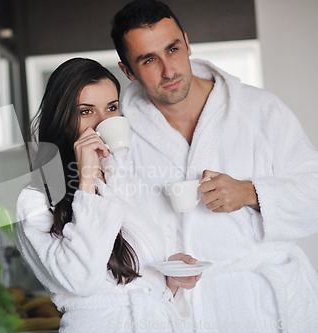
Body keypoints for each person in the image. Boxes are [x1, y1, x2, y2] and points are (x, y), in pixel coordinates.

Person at [110, 1, 318, 332]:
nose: (169, 70)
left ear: (187, 43)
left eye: (173, 49)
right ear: (128, 71)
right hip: (186, 313)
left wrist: (252, 192)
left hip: (270, 307)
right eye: (149, 60)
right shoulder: (122, 136)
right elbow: (118, 235)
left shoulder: (260, 111)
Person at [14, 57, 201, 333]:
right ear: (61, 118)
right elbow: (80, 280)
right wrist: (85, 184)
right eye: (86, 111)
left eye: (112, 108)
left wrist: (170, 277)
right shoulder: (31, 199)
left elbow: (140, 278)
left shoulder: (121, 179)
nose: (103, 122)